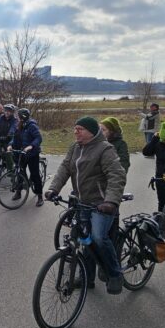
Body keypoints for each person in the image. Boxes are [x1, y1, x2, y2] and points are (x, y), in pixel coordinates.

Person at [45, 116, 127, 294]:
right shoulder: (75, 148)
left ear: (91, 132)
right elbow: (64, 168)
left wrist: (111, 201)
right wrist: (53, 189)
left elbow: (116, 175)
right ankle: (86, 278)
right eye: (75, 128)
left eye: (79, 129)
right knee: (84, 240)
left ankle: (115, 274)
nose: (75, 132)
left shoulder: (105, 149)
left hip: (101, 204)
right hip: (82, 202)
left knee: (98, 238)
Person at [7, 108, 44, 206]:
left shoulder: (32, 126)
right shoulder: (18, 126)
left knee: (35, 174)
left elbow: (39, 138)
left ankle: (40, 196)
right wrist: (10, 145)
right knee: (20, 172)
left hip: (32, 154)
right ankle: (18, 192)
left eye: (18, 116)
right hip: (21, 153)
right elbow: (15, 138)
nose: (16, 118)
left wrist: (31, 146)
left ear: (22, 117)